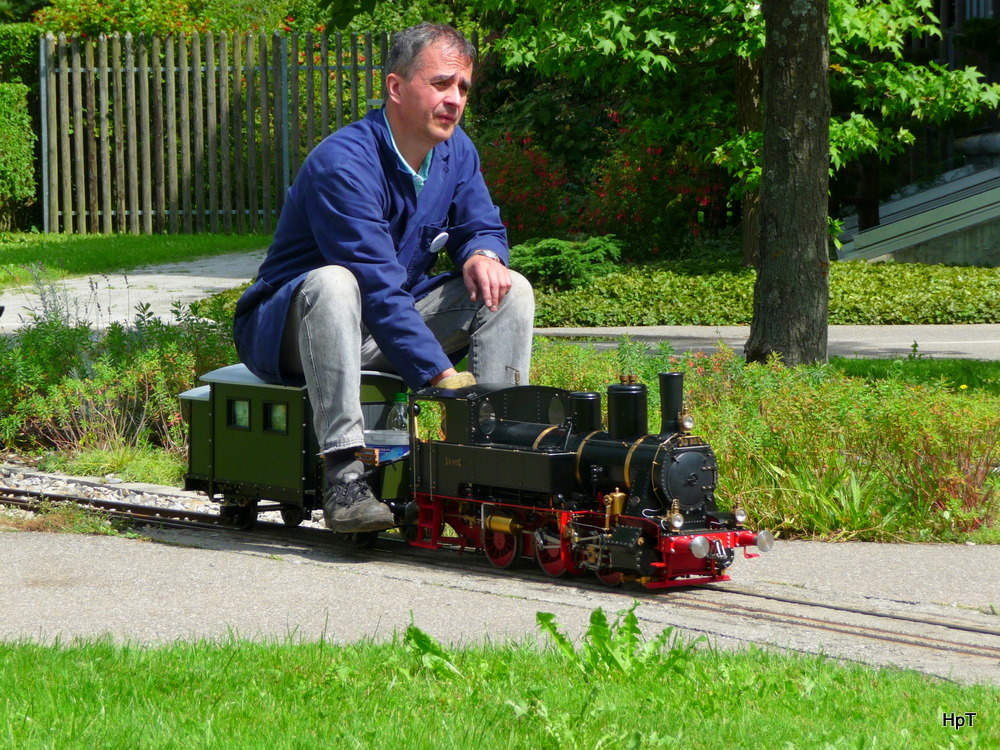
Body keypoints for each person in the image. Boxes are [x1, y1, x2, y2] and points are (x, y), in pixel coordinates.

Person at [232, 23, 534, 535]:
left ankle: (494, 469)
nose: (454, 99)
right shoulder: (343, 163)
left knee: (509, 289)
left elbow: (480, 223)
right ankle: (345, 476)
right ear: (396, 87)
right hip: (292, 330)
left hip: (376, 327)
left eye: (462, 88)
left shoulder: (457, 151)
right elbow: (374, 284)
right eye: (441, 83)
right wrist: (440, 375)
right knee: (334, 281)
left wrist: (483, 253)